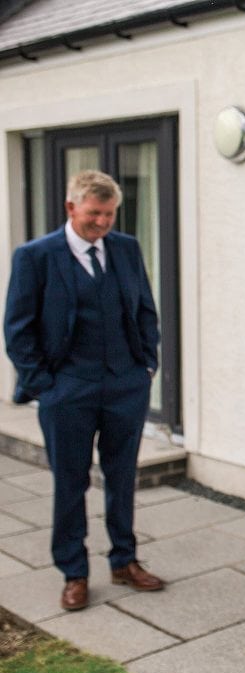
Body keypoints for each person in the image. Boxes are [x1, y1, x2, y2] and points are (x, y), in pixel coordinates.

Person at [4, 170, 164, 612]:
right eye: (95, 213)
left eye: (110, 214)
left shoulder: (127, 249)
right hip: (66, 391)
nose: (103, 223)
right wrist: (45, 388)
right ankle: (74, 573)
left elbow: (145, 310)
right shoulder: (36, 256)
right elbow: (17, 330)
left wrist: (145, 366)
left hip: (124, 386)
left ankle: (124, 560)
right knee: (71, 483)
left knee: (122, 478)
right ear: (71, 208)